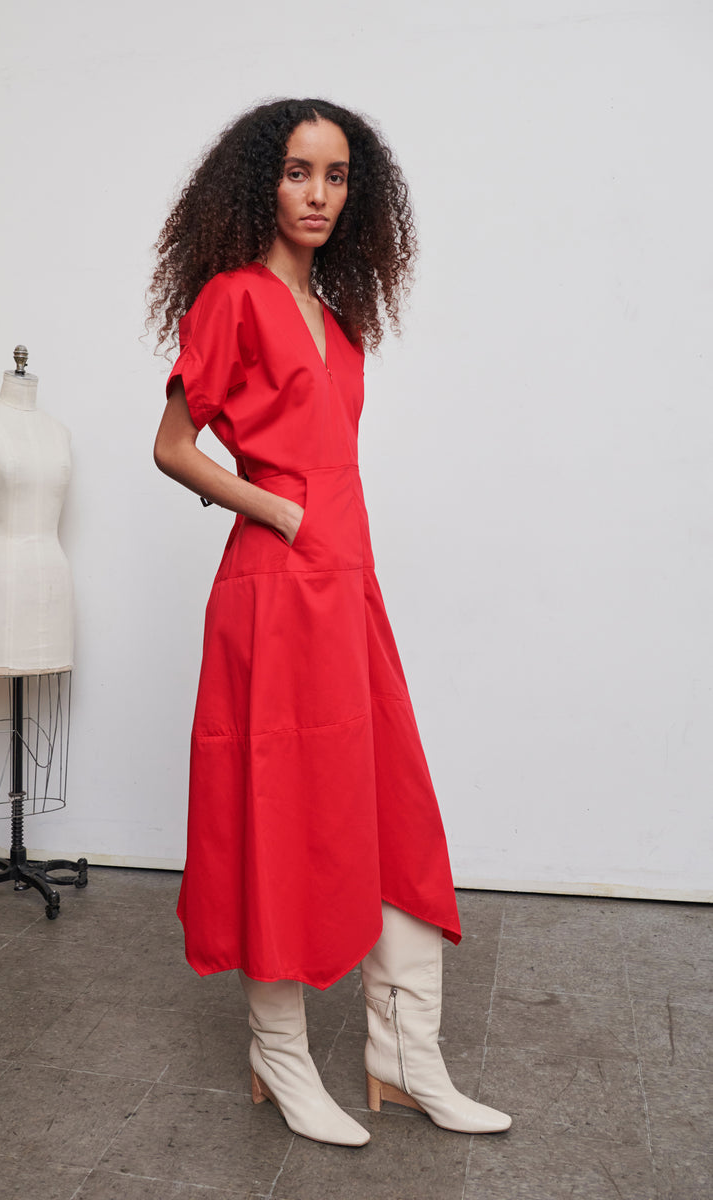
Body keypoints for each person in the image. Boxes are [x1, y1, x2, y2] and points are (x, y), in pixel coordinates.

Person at [151, 98, 510, 1146]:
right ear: (261, 181)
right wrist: (277, 507)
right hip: (272, 591)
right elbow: (174, 445)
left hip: (350, 590)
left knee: (392, 810)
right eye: (300, 172)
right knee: (281, 810)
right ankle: (280, 1053)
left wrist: (326, 538)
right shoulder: (232, 300)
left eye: (338, 175)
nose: (318, 194)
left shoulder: (340, 319)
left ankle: (404, 1054)